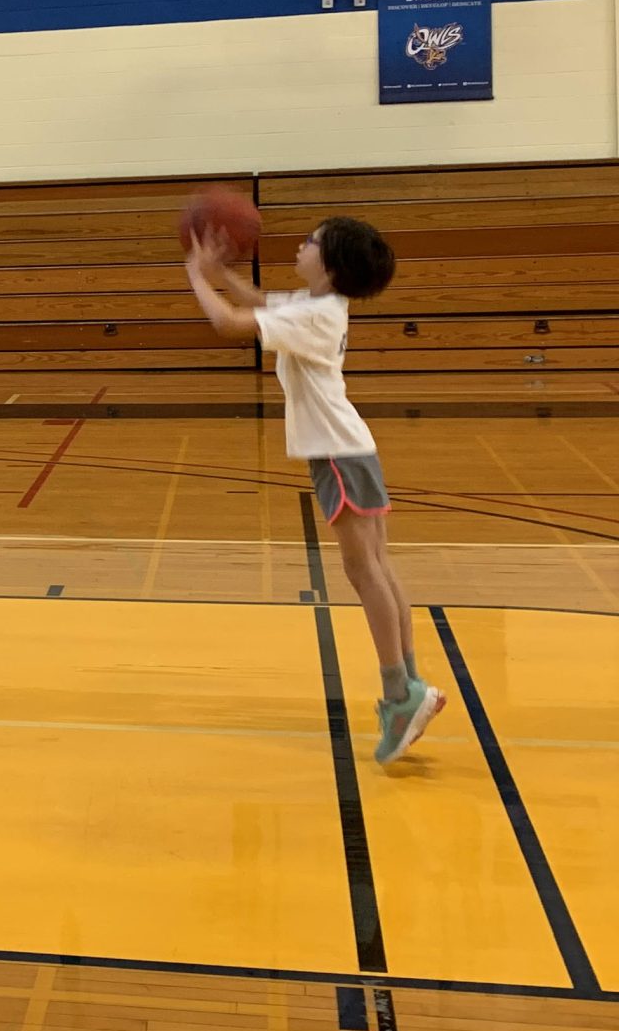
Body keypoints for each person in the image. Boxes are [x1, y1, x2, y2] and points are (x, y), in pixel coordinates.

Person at [183, 216, 446, 765]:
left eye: (311, 242)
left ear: (330, 265)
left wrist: (196, 276)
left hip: (337, 453)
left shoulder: (316, 315)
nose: (300, 246)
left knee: (364, 570)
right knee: (379, 566)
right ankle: (412, 686)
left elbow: (231, 323)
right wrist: (222, 270)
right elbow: (259, 300)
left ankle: (400, 694)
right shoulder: (318, 306)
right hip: (353, 448)